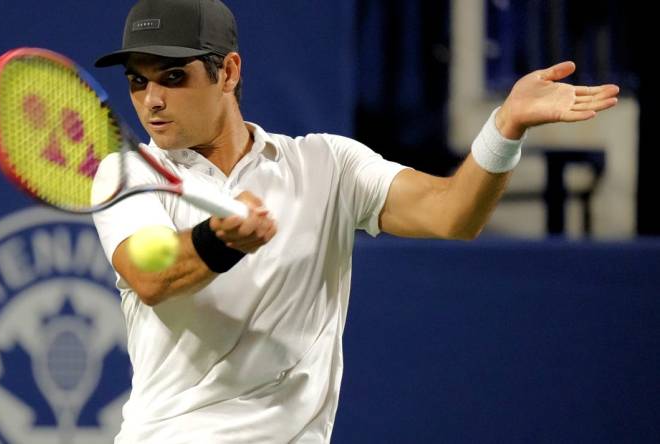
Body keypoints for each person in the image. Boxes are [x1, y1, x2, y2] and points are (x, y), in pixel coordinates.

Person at [90, 0, 620, 442]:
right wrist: (219, 242)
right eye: (138, 82)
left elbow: (451, 214)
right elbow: (150, 274)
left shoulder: (328, 164)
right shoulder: (128, 172)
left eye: (173, 77)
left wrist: (505, 127)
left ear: (228, 72)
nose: (152, 101)